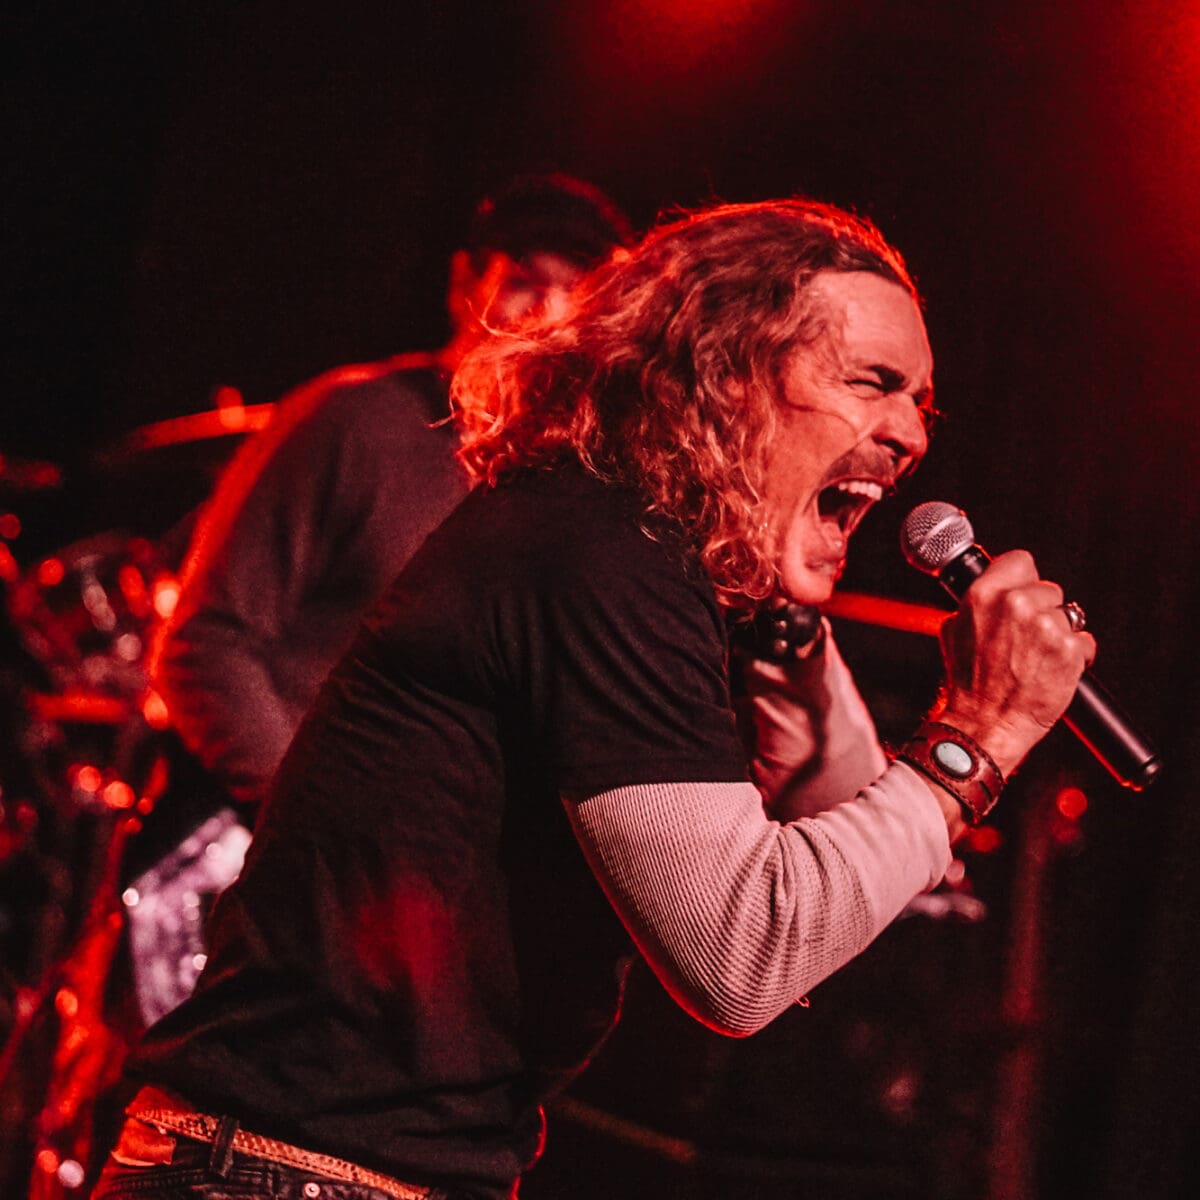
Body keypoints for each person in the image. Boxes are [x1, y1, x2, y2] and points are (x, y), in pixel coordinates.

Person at [94, 199, 1094, 1200]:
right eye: (873, 383)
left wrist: (789, 627)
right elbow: (746, 957)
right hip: (289, 1174)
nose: (911, 434)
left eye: (921, 401)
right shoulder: (601, 555)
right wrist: (984, 730)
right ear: (728, 375)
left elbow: (841, 826)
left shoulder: (634, 553)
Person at [152, 173, 634, 809]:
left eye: (575, 293)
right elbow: (205, 642)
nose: (546, 313)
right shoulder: (354, 422)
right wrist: (305, 814)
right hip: (280, 841)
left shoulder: (572, 484)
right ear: (464, 282)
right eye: (523, 280)